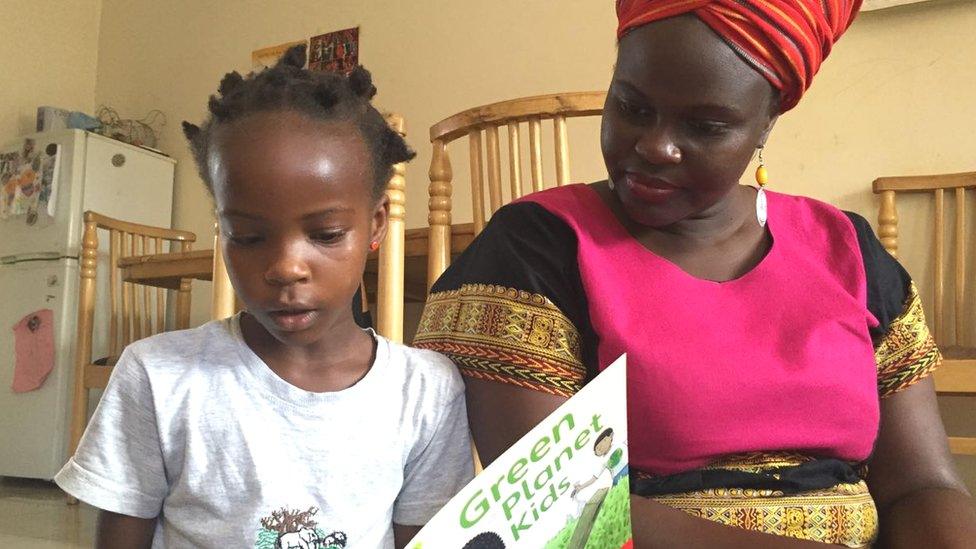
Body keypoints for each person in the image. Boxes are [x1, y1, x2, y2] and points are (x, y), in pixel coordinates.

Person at [414, 1, 976, 547]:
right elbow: (561, 512)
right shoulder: (538, 248)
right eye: (632, 108)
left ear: (766, 123)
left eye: (705, 126)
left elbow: (922, 486)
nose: (655, 146)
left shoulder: (847, 249)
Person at [56, 45, 473, 548]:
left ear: (376, 224)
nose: (285, 268)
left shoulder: (425, 392)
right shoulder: (158, 377)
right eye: (249, 238)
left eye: (325, 234)